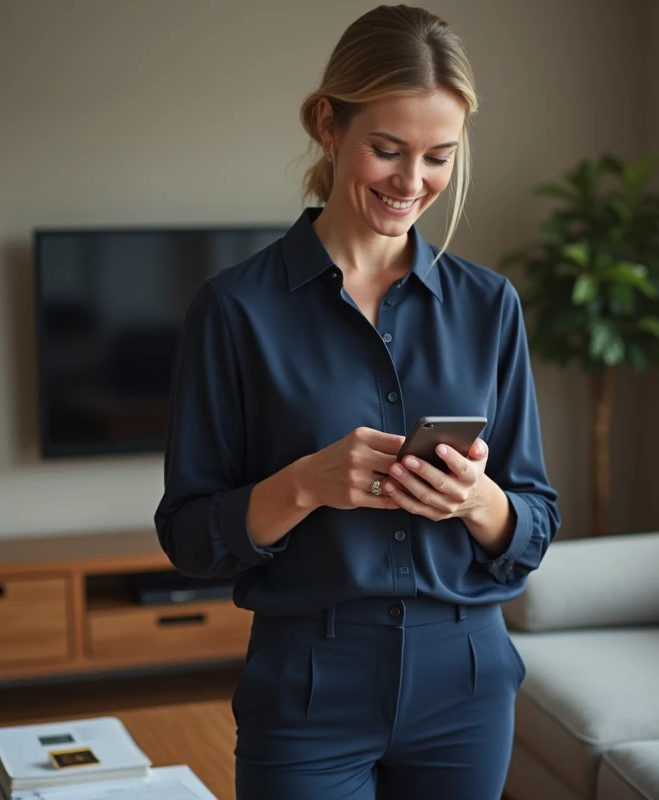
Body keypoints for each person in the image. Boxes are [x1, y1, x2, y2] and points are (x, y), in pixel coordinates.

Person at [154, 5, 560, 798]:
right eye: (388, 150)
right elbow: (188, 537)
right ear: (327, 125)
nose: (413, 184)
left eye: (439, 157)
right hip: (307, 680)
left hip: (466, 681)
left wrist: (480, 502)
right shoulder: (234, 310)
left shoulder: (490, 306)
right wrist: (305, 485)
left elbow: (535, 521)